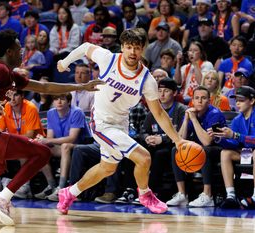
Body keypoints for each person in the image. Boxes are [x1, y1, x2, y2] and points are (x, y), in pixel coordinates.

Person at [0, 29, 102, 225]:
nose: (22, 52)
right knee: (42, 152)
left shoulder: (11, 75)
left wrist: (81, 87)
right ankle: (2, 198)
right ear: (9, 52)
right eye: (19, 48)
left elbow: (45, 87)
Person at [56, 28, 188, 215]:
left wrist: (178, 140)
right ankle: (145, 194)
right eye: (128, 47)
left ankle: (69, 192)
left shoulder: (147, 80)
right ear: (123, 47)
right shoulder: (108, 59)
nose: (132, 52)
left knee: (107, 168)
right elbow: (86, 47)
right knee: (144, 157)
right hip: (100, 122)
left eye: (136, 48)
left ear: (142, 49)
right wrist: (65, 62)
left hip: (120, 124)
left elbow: (158, 113)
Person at [167, 86, 226, 207]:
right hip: (200, 149)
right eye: (197, 98)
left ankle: (207, 195)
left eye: (203, 98)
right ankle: (182, 194)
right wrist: (186, 119)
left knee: (204, 150)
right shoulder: (191, 112)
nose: (199, 101)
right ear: (192, 100)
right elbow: (180, 140)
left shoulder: (215, 114)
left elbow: (207, 142)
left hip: (220, 149)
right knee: (176, 150)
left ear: (209, 100)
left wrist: (194, 120)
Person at [211, 86, 255, 209]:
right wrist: (220, 138)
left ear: (252, 101)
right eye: (236, 100)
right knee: (225, 153)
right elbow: (234, 144)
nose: (237, 103)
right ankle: (230, 195)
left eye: (241, 100)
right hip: (246, 152)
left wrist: (235, 135)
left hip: (253, 152)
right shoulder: (237, 120)